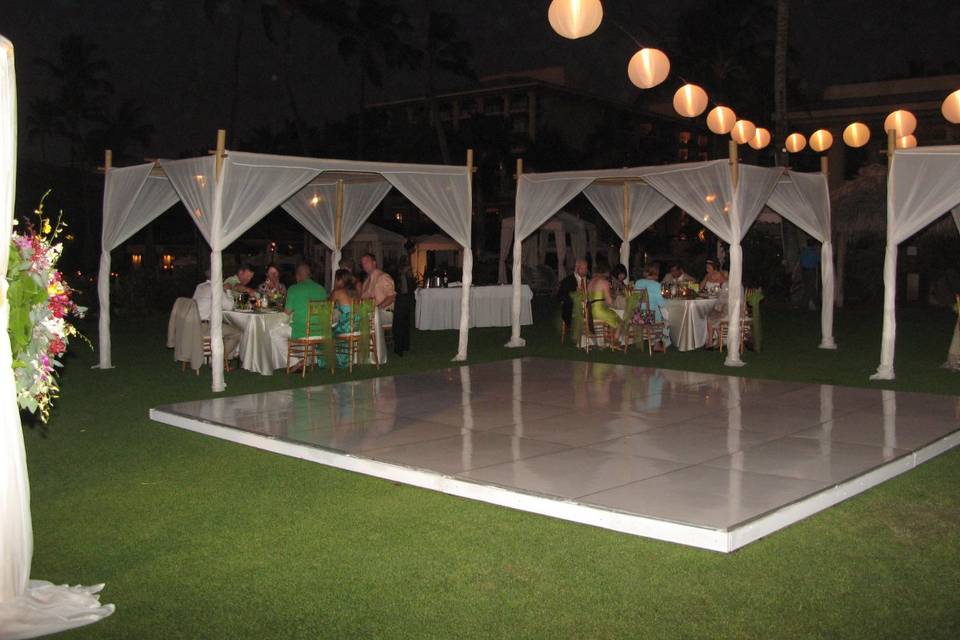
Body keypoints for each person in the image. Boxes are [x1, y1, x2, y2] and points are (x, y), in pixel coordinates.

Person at [270, 262, 328, 371]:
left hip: (303, 331)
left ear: (297, 276)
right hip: (321, 330)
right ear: (310, 275)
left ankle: (295, 362)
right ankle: (305, 359)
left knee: (274, 333)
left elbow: (287, 313)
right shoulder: (321, 289)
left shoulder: (294, 289)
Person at [192, 273, 241, 362]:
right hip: (206, 328)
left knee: (225, 327)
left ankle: (218, 357)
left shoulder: (200, 286)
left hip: (193, 325)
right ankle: (219, 360)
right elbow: (230, 306)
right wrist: (228, 290)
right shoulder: (216, 288)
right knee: (237, 333)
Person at [634, 264, 670, 351]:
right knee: (667, 318)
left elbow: (634, 299)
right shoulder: (656, 285)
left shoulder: (638, 282)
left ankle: (656, 341)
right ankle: (658, 343)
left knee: (662, 315)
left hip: (637, 316)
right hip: (649, 317)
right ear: (656, 273)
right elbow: (661, 303)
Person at [331, 268, 359, 368]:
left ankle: (334, 360)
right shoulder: (354, 292)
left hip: (347, 326)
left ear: (339, 280)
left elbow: (329, 305)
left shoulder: (337, 292)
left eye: (335, 279)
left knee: (326, 330)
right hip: (357, 324)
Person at [359, 253, 396, 327]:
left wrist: (376, 309)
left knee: (362, 320)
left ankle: (374, 338)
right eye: (363, 263)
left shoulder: (383, 277)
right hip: (370, 313)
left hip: (384, 312)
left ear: (374, 263)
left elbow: (392, 297)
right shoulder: (366, 282)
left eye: (367, 261)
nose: (364, 264)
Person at [586, 262, 621, 337]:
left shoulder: (590, 282)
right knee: (619, 320)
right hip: (599, 311)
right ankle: (615, 341)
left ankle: (608, 339)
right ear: (607, 272)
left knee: (612, 314)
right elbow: (609, 302)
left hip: (589, 312)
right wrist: (615, 297)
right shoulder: (604, 282)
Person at [556, 259, 589, 329]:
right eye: (582, 268)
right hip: (573, 308)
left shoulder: (588, 279)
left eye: (586, 268)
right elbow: (560, 296)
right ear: (577, 269)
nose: (585, 270)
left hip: (587, 306)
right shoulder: (568, 280)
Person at [799, 238, 820, 311]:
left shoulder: (804, 251)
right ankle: (803, 305)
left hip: (804, 271)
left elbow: (801, 260)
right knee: (809, 288)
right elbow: (818, 260)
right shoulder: (813, 252)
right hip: (811, 271)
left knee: (810, 288)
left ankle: (816, 303)